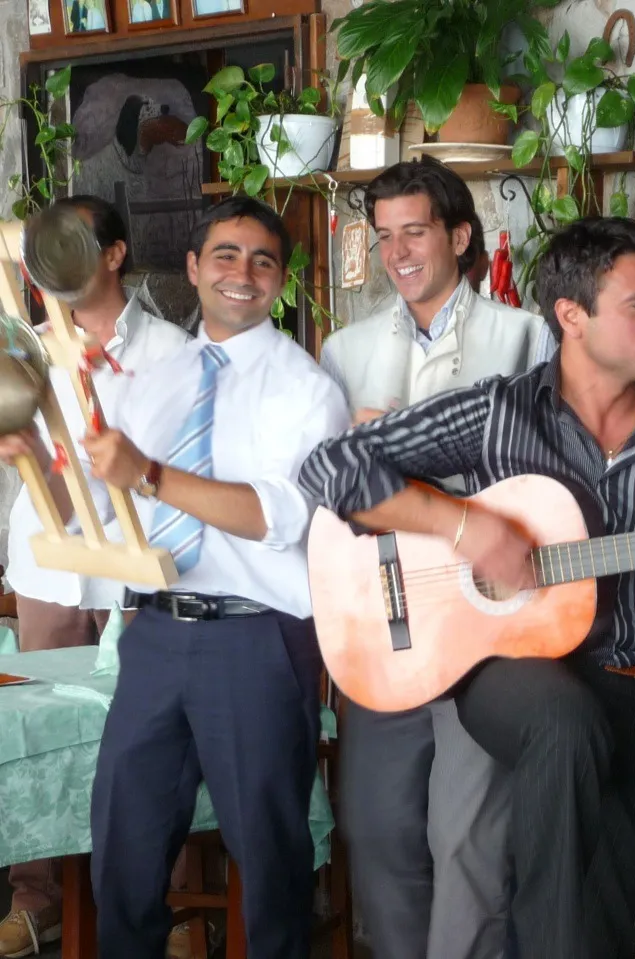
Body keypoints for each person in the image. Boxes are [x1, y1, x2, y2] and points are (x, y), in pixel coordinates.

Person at [299, 216, 635, 959]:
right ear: (572, 315)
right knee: (564, 724)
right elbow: (330, 467)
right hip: (511, 673)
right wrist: (463, 528)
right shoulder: (498, 411)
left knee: (604, 923)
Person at [0, 195, 349, 958]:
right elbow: (94, 498)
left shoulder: (307, 387)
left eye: (262, 260)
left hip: (257, 640)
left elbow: (278, 515)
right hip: (154, 633)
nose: (242, 272)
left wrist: (153, 473)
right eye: (225, 254)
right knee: (124, 852)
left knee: (271, 865)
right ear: (193, 268)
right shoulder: (157, 378)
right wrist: (33, 458)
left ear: (280, 280)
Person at [318, 157, 551, 959]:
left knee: (468, 842)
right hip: (383, 620)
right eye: (384, 236)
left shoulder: (525, 336)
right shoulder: (344, 348)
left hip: (483, 625)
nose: (398, 253)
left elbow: (542, 477)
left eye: (414, 232)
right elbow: (329, 497)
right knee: (376, 827)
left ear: (458, 235)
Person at [0, 194, 192, 959]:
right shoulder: (25, 343)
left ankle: (169, 909)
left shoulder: (173, 349)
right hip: (46, 563)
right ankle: (37, 900)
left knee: (154, 743)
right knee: (39, 737)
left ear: (112, 254)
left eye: (75, 243)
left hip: (140, 569)